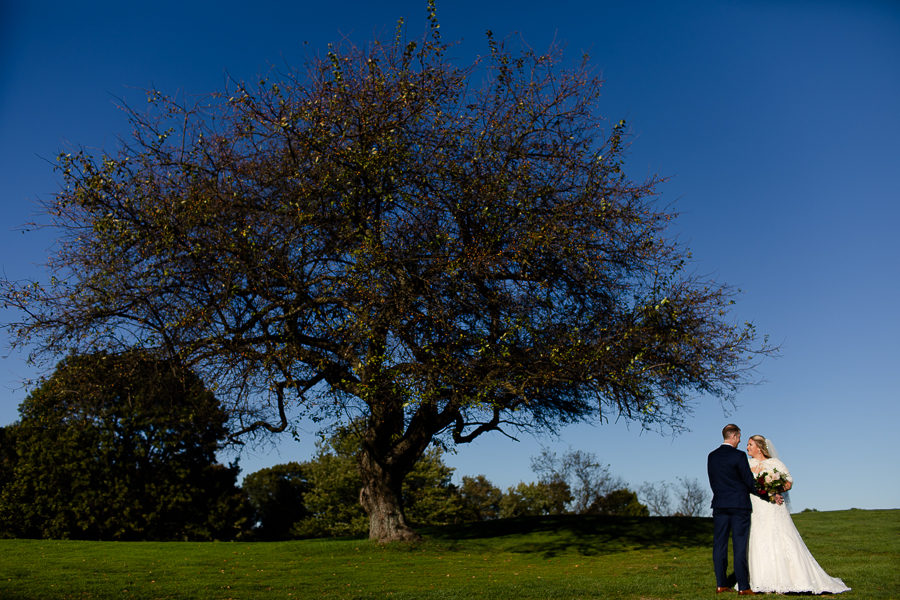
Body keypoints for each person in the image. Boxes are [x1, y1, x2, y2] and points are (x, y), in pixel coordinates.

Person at [744, 435, 850, 594]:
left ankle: (789, 579)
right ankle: (760, 581)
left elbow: (788, 482)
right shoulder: (746, 464)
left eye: (750, 444)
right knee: (759, 539)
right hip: (756, 508)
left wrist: (774, 489)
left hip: (774, 507)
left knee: (779, 538)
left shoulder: (775, 463)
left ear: (759, 447)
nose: (747, 448)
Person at [707, 424, 761, 595]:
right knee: (739, 545)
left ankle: (721, 584)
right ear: (734, 436)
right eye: (739, 437)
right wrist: (766, 494)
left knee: (720, 545)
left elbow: (713, 481)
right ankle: (744, 587)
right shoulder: (739, 456)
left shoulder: (712, 456)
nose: (739, 441)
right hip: (739, 506)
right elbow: (748, 481)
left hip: (720, 505)